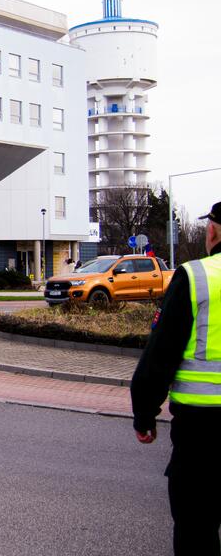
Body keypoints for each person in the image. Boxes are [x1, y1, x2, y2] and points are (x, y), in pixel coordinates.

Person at [131, 201, 221, 554]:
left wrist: (144, 414)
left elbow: (160, 354)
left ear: (212, 232)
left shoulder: (197, 277)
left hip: (203, 434)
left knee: (196, 529)